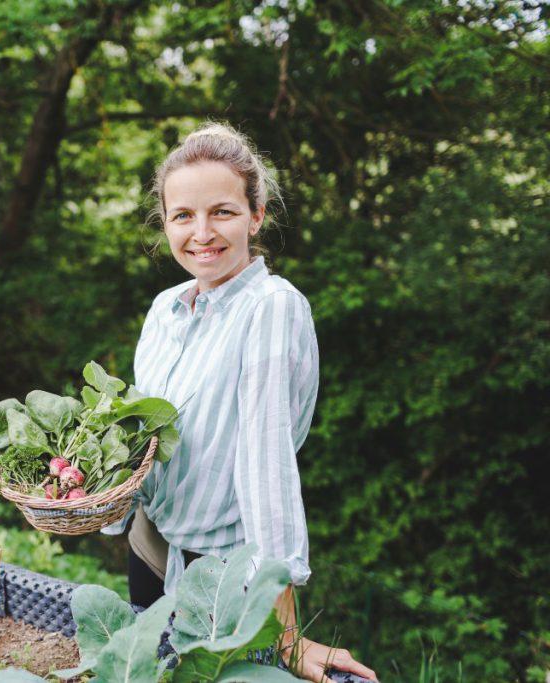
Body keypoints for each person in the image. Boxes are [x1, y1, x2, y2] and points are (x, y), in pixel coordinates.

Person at [100, 120, 379, 683]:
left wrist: (288, 633)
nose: (201, 232)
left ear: (256, 215)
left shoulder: (271, 308)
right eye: (183, 216)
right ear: (167, 224)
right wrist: (98, 492)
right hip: (151, 550)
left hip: (227, 578)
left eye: (222, 211)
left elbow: (264, 463)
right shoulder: (165, 310)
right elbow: (143, 440)